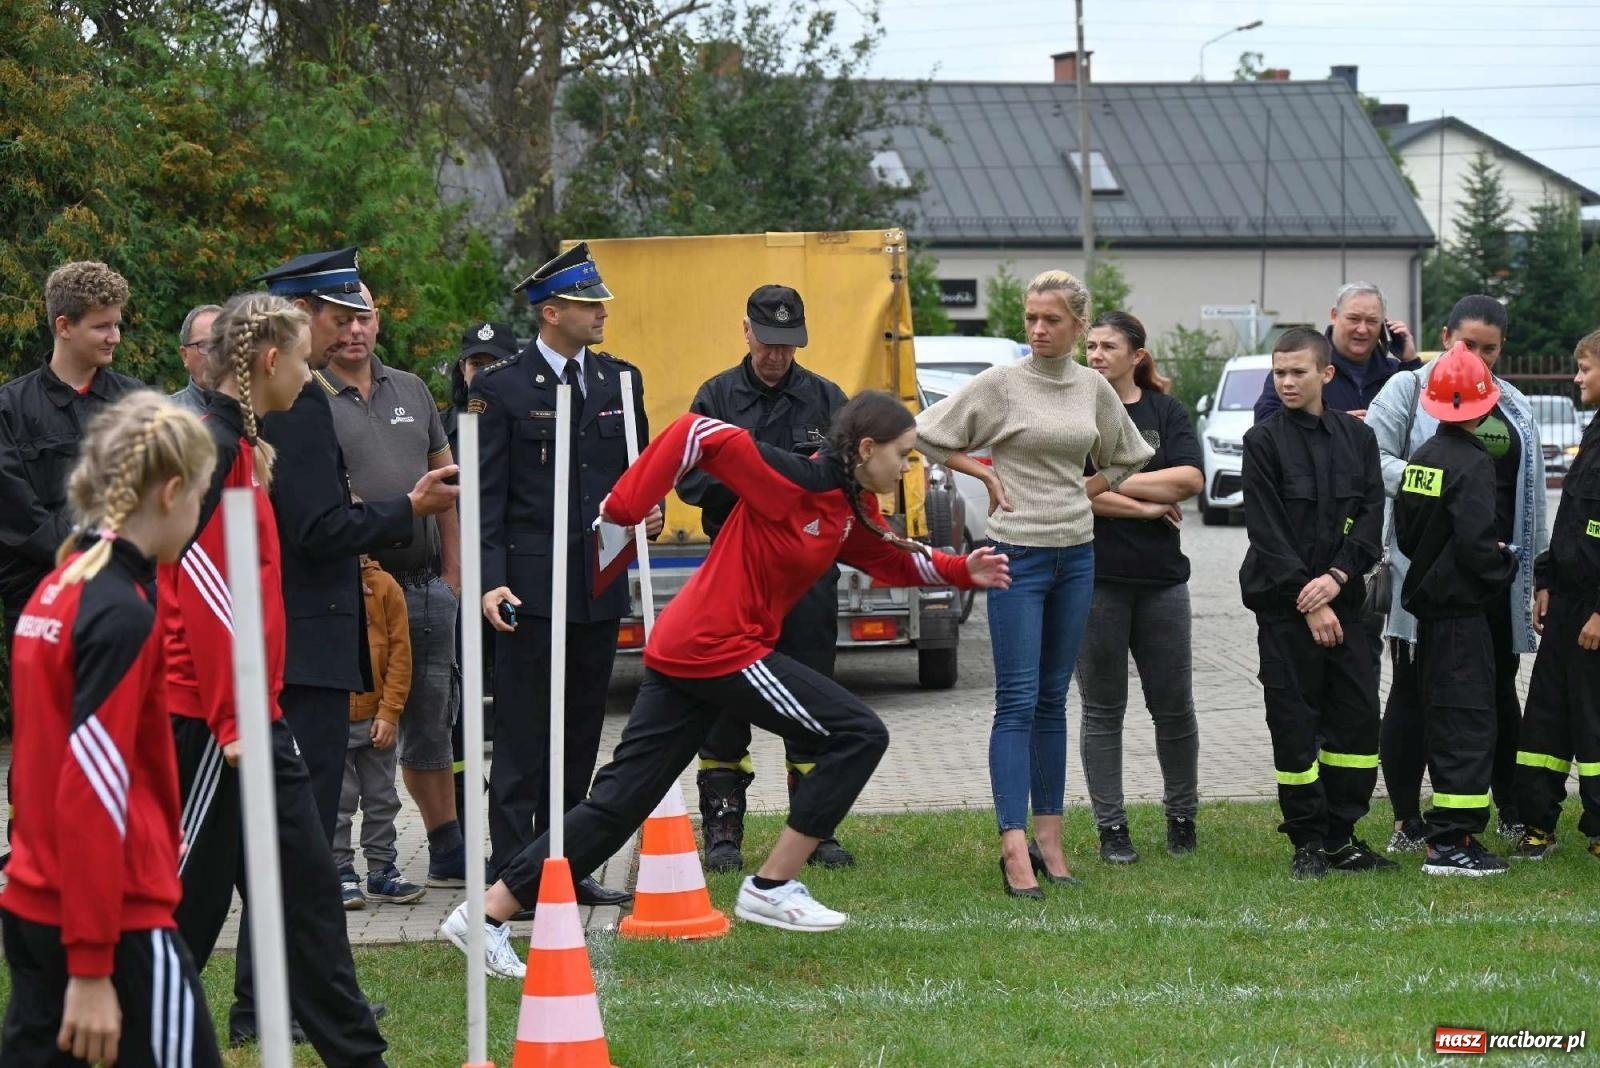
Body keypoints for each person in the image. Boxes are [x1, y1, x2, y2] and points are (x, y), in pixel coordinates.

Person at [441, 393, 1011, 976]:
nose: (909, 467)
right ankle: (772, 885)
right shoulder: (792, 479)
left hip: (692, 653)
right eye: (904, 454)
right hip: (715, 647)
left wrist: (962, 569)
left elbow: (886, 560)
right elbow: (695, 432)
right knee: (859, 732)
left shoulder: (847, 504)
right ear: (867, 450)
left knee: (617, 804)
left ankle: (484, 914)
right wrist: (628, 503)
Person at [162, 291, 389, 1066]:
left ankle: (359, 1055)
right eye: (301, 357)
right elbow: (207, 598)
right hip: (211, 727)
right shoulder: (212, 448)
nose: (310, 370)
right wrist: (235, 727)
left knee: (310, 900)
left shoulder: (245, 445)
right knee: (179, 919)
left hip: (256, 716)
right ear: (267, 362)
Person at [2, 393, 224, 1068]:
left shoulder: (58, 586)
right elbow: (93, 788)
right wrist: (94, 965)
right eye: (202, 496)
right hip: (116, 919)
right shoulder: (120, 614)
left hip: (37, 899)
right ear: (174, 490)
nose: (201, 515)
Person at [915, 270, 1153, 897]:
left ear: (1078, 324)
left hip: (1076, 554)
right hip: (1014, 556)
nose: (1039, 329)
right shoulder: (1000, 383)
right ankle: (1013, 845)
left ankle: (1052, 840)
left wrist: (1085, 491)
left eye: (1052, 319)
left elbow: (1128, 455)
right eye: (1030, 319)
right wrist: (988, 477)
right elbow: (928, 434)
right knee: (1016, 701)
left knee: (1054, 700)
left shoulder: (1092, 386)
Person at [474, 243, 659, 910]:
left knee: (581, 732)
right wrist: (491, 579)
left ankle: (566, 860)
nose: (601, 312)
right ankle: (508, 872)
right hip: (530, 588)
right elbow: (487, 499)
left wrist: (649, 514)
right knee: (524, 734)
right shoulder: (502, 389)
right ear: (551, 312)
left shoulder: (618, 382)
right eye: (588, 303)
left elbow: (633, 476)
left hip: (597, 582)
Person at [677, 284, 853, 872]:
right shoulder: (716, 396)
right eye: (768, 341)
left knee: (810, 701)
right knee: (727, 707)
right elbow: (689, 480)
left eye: (788, 343)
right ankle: (723, 831)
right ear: (747, 330)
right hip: (736, 577)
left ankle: (814, 829)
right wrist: (763, 484)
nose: (777, 354)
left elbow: (845, 482)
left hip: (805, 579)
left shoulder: (828, 399)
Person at [1367, 295, 1545, 852]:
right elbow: (1370, 457)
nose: (1479, 357)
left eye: (1489, 349)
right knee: (1415, 694)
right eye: (1468, 344)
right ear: (1445, 336)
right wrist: (1435, 482)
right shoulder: (1407, 389)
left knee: (1495, 691)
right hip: (1429, 573)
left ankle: (1508, 808)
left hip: (1494, 576)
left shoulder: (1513, 404)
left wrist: (1536, 574)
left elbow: (1532, 494)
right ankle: (1405, 819)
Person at [321, 281, 467, 889]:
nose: (356, 331)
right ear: (323, 325)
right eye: (344, 320)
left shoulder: (410, 389)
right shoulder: (306, 396)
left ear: (379, 323)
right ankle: (344, 862)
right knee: (354, 728)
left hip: (426, 584)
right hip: (354, 593)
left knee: (432, 721)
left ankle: (446, 848)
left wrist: (455, 575)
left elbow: (447, 484)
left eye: (366, 319)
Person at [1239, 328, 1392, 880]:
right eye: (1278, 372)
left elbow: (1372, 517)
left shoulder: (1359, 440)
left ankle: (1342, 835)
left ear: (1326, 374)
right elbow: (1267, 531)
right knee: (1295, 724)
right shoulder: (1262, 442)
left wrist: (1337, 576)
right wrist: (1309, 599)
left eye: (1297, 372)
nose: (1285, 381)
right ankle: (1306, 840)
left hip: (1347, 605)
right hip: (1286, 610)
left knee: (1354, 725)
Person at [1075, 310, 1204, 864]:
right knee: (1103, 710)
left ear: (1137, 356)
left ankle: (1182, 818)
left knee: (1173, 707)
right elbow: (1073, 491)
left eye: (1108, 347)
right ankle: (1112, 828)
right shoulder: (1074, 414)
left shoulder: (1165, 412)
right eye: (1091, 346)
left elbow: (1191, 480)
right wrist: (1148, 508)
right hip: (1095, 580)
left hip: (1161, 585)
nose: (1096, 355)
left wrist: (1112, 483)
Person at [1393, 343, 1520, 876]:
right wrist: (1505, 566)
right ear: (1484, 405)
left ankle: (1449, 835)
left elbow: (1405, 533)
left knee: (1444, 720)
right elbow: (1476, 544)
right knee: (1469, 722)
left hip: (1429, 614)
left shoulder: (1422, 458)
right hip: (1464, 616)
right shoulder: (1474, 463)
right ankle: (1454, 842)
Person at [0, 261, 142, 648]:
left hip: (125, 600)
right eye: (101, 326)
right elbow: (17, 517)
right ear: (64, 326)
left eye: (116, 325)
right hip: (39, 604)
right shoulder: (9, 410)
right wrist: (89, 557)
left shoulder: (136, 402)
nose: (114, 337)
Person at [1513, 328, 1600, 863]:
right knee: (1545, 720)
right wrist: (1546, 580)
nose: (1576, 377)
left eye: (1586, 368)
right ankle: (1537, 823)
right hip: (1566, 607)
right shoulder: (1593, 433)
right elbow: (1573, 521)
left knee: (1593, 723)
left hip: (1594, 614)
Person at [442, 321, 517, 829]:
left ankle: (513, 818)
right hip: (453, 587)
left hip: (508, 582)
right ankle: (465, 820)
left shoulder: (527, 421)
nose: (483, 373)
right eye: (475, 364)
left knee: (514, 703)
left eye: (494, 364)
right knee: (455, 713)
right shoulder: (442, 429)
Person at [336, 555, 425, 910]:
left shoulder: (386, 586)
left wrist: (389, 713)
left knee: (382, 798)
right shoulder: (316, 585)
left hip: (378, 719)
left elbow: (401, 655)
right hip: (334, 721)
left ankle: (381, 869)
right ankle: (340, 871)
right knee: (337, 803)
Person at [1252, 281, 1421, 424]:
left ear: (1383, 325)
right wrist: (1332, 424)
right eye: (1354, 319)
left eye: (1371, 321)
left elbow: (1425, 421)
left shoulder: (1396, 374)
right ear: (1334, 315)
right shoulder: (1302, 368)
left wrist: (1410, 360)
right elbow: (1264, 422)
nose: (1362, 329)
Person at [171, 303, 223, 412]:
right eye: (205, 345)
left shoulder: (257, 412)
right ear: (185, 355)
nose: (216, 353)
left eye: (223, 343)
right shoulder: (165, 415)